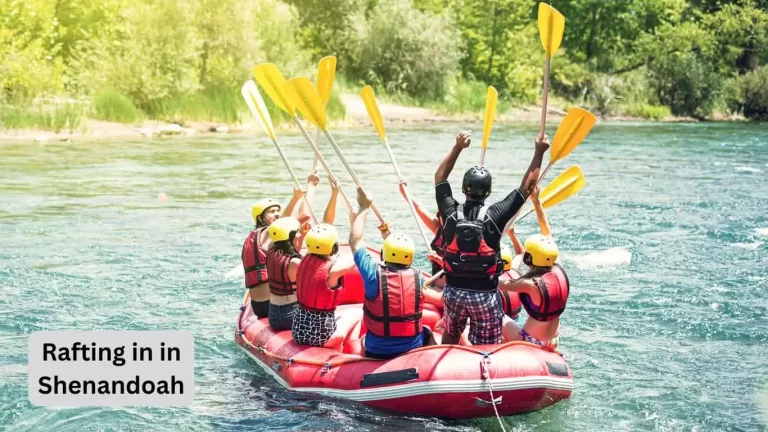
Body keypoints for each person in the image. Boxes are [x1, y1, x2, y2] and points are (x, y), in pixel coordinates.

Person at [435, 130, 550, 345]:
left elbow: (440, 178)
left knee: (451, 332)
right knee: (486, 344)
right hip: (485, 295)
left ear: (463, 188)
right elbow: (527, 188)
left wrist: (458, 147)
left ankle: (448, 352)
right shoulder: (496, 215)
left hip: (454, 293)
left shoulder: (449, 211)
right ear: (488, 192)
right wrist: (539, 152)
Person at [350, 188, 434, 359]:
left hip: (377, 350)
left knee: (360, 340)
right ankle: (429, 367)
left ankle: (364, 367)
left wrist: (363, 207)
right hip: (413, 346)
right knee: (429, 333)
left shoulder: (373, 273)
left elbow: (355, 241)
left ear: (384, 253)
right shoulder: (418, 277)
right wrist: (388, 236)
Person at [499, 186, 569, 347]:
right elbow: (547, 234)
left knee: (498, 315)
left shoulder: (530, 284)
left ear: (529, 258)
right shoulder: (558, 268)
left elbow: (498, 283)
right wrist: (537, 204)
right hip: (553, 340)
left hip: (531, 340)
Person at [242, 187, 305, 319]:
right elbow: (282, 223)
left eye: (278, 211)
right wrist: (294, 199)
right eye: (272, 212)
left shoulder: (256, 239)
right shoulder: (265, 234)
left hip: (258, 306)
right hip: (271, 305)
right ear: (260, 218)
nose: (277, 214)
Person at [292, 223, 358, 348]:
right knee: (356, 314)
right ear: (334, 247)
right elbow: (356, 257)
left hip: (299, 331)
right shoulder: (332, 271)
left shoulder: (302, 262)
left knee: (339, 316)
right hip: (320, 337)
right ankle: (353, 351)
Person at [397, 181, 446, 290]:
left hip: (448, 291)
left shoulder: (459, 235)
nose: (442, 219)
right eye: (440, 215)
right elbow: (419, 208)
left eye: (446, 216)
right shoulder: (438, 227)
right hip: (433, 285)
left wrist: (437, 259)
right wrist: (405, 193)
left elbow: (458, 268)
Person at [266, 216, 311, 331]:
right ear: (291, 236)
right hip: (292, 314)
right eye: (296, 234)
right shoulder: (296, 262)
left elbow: (290, 248)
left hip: (273, 315)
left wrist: (300, 233)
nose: (298, 235)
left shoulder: (270, 252)